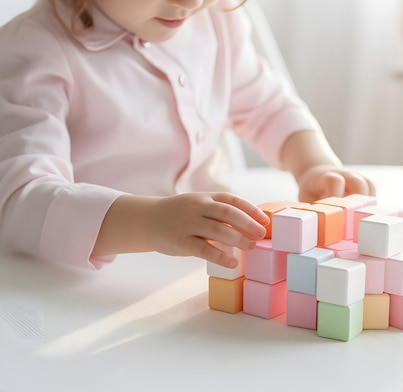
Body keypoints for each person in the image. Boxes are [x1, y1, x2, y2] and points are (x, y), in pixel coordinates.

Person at [0, 0, 375, 271]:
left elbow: (267, 106)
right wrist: (150, 222)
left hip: (197, 272)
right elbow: (20, 201)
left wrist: (315, 164)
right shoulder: (33, 50)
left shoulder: (216, 20)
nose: (191, 2)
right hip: (75, 290)